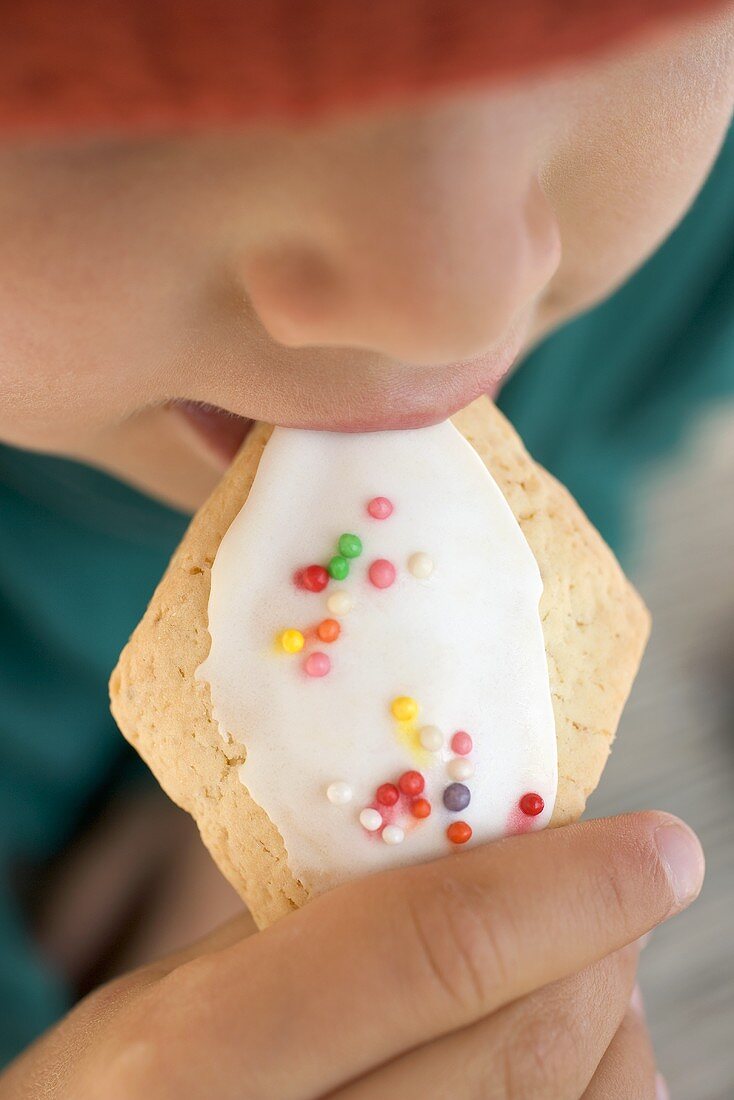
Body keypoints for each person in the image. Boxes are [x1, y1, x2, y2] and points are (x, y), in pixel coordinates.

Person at [1, 0, 732, 1094]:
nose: (454, 299)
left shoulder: (688, 246)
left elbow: (603, 428)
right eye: (142, 94)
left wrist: (266, 802)